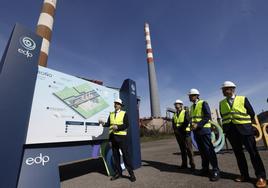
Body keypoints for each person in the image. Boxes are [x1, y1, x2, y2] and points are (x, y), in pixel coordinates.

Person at [219, 81, 266, 187]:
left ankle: (261, 177)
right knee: (239, 155)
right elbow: (223, 116)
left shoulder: (243, 99)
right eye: (223, 89)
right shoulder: (221, 103)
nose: (224, 91)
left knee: (253, 153)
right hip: (231, 132)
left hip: (245, 130)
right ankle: (244, 175)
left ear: (232, 89)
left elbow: (251, 113)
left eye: (226, 89)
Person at [188, 88, 220, 181]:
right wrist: (191, 125)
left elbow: (207, 116)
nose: (190, 97)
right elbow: (192, 119)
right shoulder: (191, 107)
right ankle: (205, 169)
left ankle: (215, 170)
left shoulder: (203, 103)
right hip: (196, 132)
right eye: (189, 96)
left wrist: (198, 124)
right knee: (202, 151)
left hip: (204, 130)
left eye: (191, 95)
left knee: (209, 150)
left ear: (197, 96)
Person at [102, 98, 136, 182]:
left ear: (120, 105)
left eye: (117, 103)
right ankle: (118, 173)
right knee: (116, 156)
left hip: (122, 138)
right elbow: (108, 124)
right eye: (115, 103)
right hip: (113, 137)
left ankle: (131, 174)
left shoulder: (124, 113)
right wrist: (103, 123)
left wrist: (118, 127)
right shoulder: (111, 114)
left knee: (125, 156)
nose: (115, 105)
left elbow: (126, 125)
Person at [172, 99, 195, 170]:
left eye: (177, 104)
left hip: (185, 133)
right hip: (178, 134)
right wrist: (175, 130)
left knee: (189, 149)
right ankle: (184, 164)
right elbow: (174, 124)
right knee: (182, 149)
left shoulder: (185, 112)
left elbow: (187, 121)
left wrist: (180, 129)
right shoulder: (175, 114)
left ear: (181, 105)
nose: (176, 105)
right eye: (175, 104)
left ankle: (192, 165)